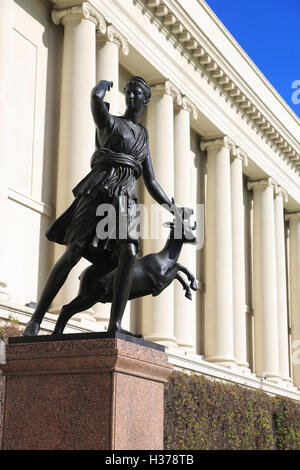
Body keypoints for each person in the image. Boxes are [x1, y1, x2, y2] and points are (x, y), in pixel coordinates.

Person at [23, 77, 175, 336]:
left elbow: (150, 180)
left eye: (136, 93)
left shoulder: (143, 136)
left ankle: (114, 324)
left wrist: (173, 208)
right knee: (73, 253)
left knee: (128, 252)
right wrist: (103, 85)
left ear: (145, 100)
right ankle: (36, 319)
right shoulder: (109, 123)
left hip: (126, 196)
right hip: (99, 189)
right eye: (128, 92)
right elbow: (95, 99)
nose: (130, 96)